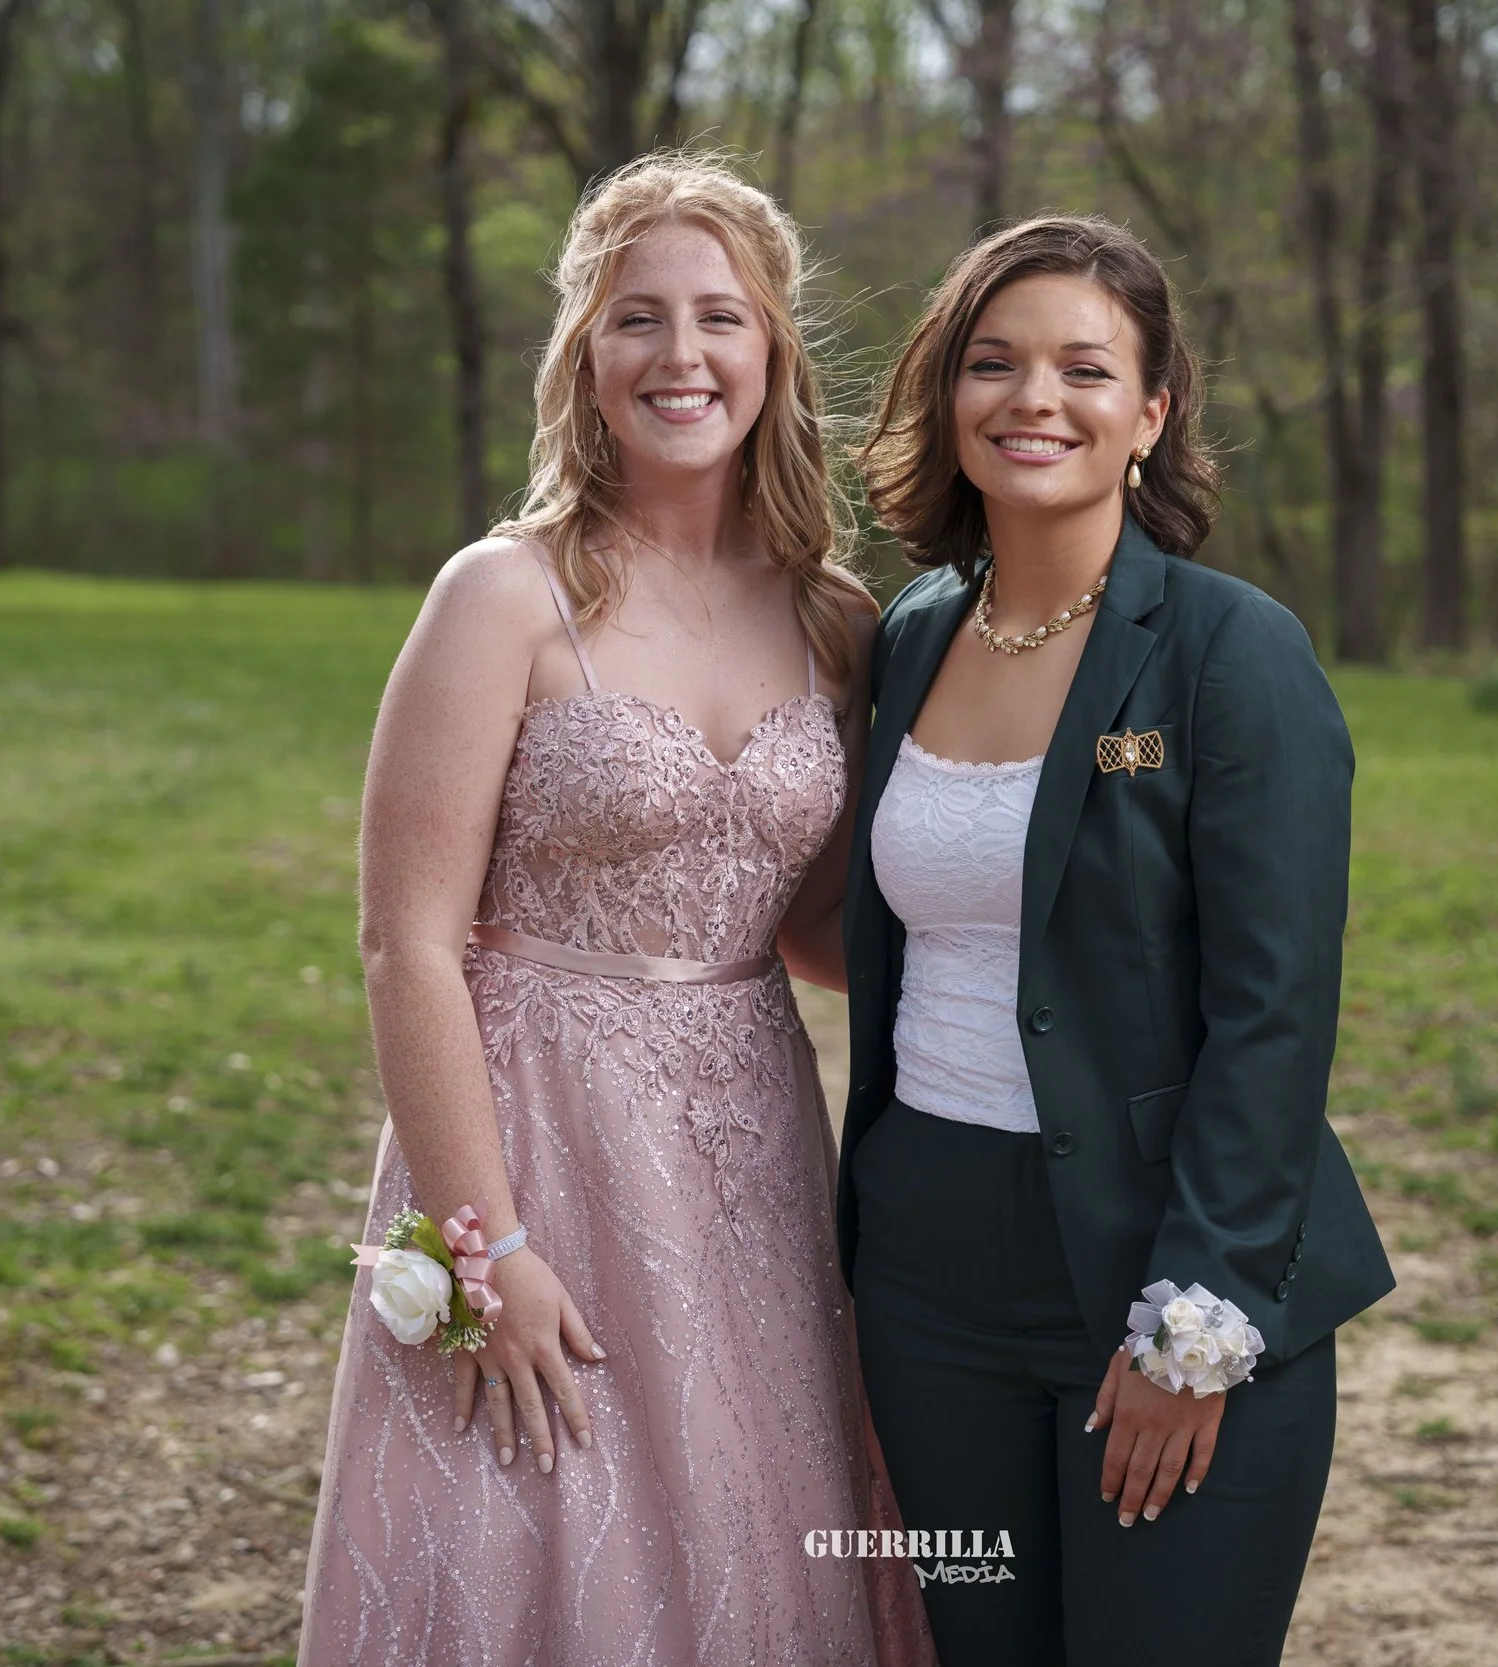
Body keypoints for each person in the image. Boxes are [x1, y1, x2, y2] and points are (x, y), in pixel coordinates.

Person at [299, 154, 931, 1667]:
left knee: (749, 1513)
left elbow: (819, 927)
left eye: (720, 316)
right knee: (545, 1509)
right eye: (638, 316)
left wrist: (1034, 939)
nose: (682, 353)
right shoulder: (502, 595)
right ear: (588, 351)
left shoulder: (838, 620)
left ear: (771, 352)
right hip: (534, 1135)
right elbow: (407, 944)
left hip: (751, 1143)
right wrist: (482, 1245)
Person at [837, 214, 1396, 1665]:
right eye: (994, 363)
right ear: (945, 397)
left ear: (1150, 414)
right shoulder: (907, 639)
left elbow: (1275, 1013)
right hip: (925, 1276)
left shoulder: (1230, 650)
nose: (1035, 399)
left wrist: (1195, 1322)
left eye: (1086, 368)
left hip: (1157, 1261)